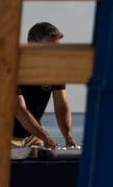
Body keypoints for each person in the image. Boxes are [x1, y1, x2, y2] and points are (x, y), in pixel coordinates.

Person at [11, 21, 78, 150]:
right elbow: (19, 110)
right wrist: (46, 138)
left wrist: (68, 137)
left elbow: (61, 106)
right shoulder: (13, 67)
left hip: (32, 135)